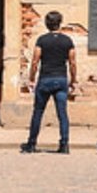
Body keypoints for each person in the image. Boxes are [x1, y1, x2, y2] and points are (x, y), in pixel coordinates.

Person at [21, 10, 77, 154]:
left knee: (38, 112)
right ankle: (64, 144)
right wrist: (74, 80)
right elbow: (72, 62)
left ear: (47, 24)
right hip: (61, 79)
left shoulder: (42, 40)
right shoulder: (67, 41)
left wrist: (32, 78)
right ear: (60, 23)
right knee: (62, 114)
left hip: (45, 79)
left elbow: (35, 61)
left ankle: (31, 143)